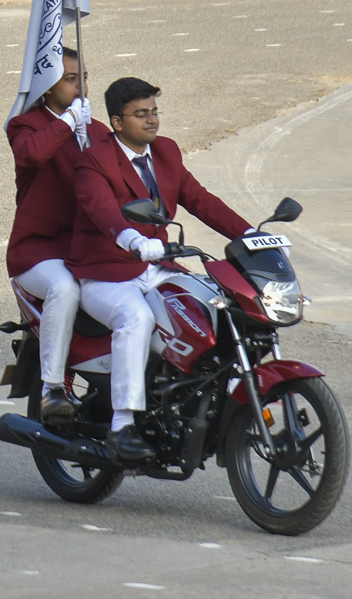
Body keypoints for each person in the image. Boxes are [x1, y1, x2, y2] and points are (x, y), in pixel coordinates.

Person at [69, 77, 252, 463]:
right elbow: (102, 210)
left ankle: (223, 398)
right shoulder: (94, 160)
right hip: (106, 272)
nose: (151, 121)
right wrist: (134, 240)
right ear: (117, 123)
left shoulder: (165, 152)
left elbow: (201, 200)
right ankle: (122, 425)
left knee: (218, 305)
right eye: (141, 114)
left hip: (157, 268)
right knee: (135, 318)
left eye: (154, 112)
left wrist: (251, 234)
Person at [5, 48, 90, 424]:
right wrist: (70, 121)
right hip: (39, 251)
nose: (82, 86)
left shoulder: (95, 130)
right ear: (47, 84)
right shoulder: (26, 125)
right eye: (72, 78)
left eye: (85, 76)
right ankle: (53, 386)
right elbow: (33, 155)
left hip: (89, 248)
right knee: (65, 289)